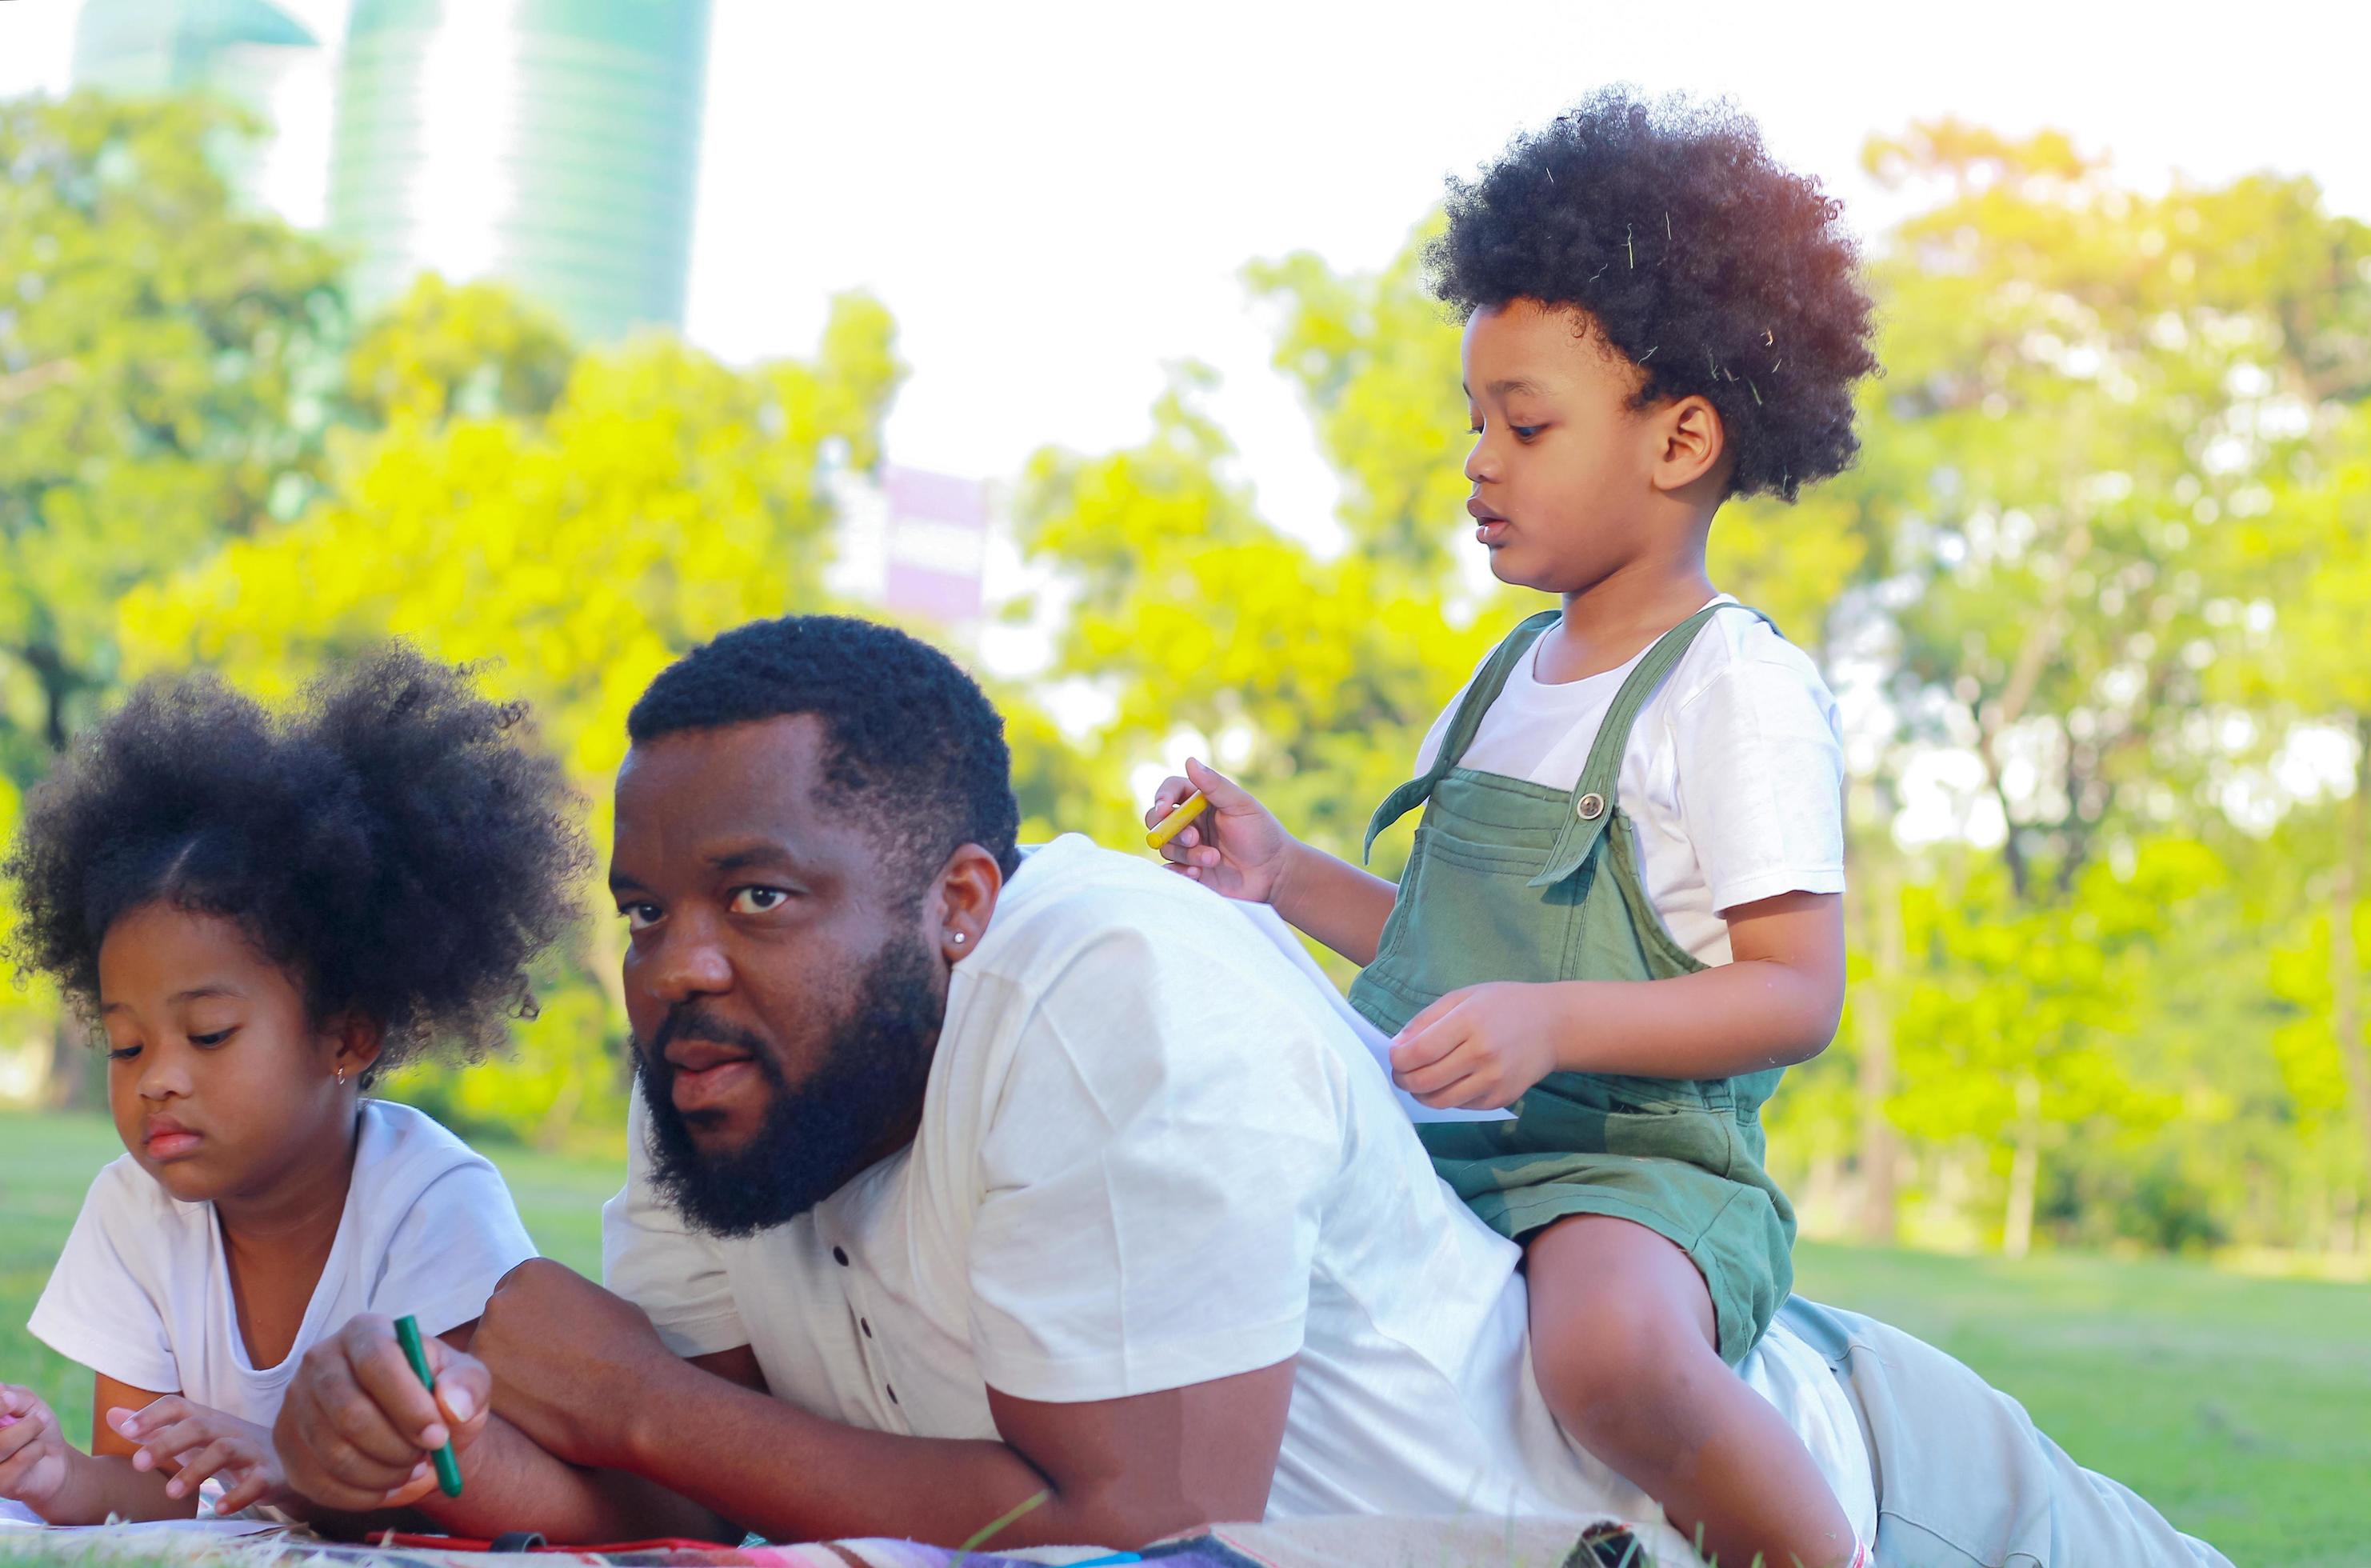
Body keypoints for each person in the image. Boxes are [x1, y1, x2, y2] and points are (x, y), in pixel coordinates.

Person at [269, 616, 2228, 1568]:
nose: (680, 961)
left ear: (959, 903)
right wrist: (446, 1453)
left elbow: (1131, 1522)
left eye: (757, 896)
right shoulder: (724, 1058)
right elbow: (713, 1453)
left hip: (1880, 1505)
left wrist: (602, 1389)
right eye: (649, 909)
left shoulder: (1114, 987)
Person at [1150, 89, 1875, 1567]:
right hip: (1431, 1142)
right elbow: (1431, 953)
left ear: (1678, 440)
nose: (1477, 459)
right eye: (1472, 419)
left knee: (1603, 1352)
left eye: (1524, 424)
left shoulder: (1731, 689)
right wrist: (1281, 877)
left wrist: (1551, 1021)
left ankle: (1816, 1550)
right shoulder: (1497, 682)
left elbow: (1792, 997)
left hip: (1626, 1168)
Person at [0, 649, 586, 1523]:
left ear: (346, 1035)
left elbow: (449, 1487)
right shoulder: (132, 1210)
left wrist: (288, 1464)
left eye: (209, 1034)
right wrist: (55, 1476)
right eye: (126, 1046)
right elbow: (143, 1490)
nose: (157, 1078)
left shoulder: (433, 1202)